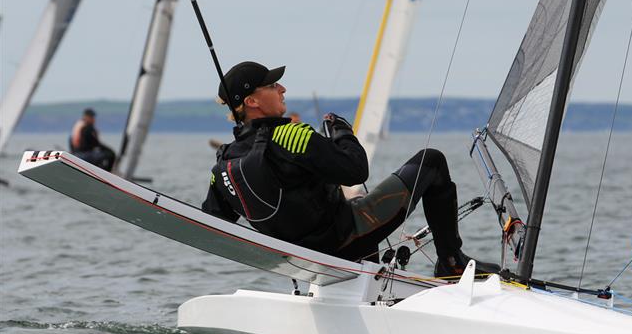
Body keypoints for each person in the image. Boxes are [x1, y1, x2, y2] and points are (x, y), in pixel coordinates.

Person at [201, 61, 497, 277]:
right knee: (431, 161)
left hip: (305, 262)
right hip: (344, 241)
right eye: (272, 85)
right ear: (252, 101)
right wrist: (341, 131)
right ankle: (450, 261)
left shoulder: (224, 164)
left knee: (353, 203)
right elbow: (356, 171)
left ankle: (368, 286)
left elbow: (216, 223)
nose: (282, 88)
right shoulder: (291, 135)